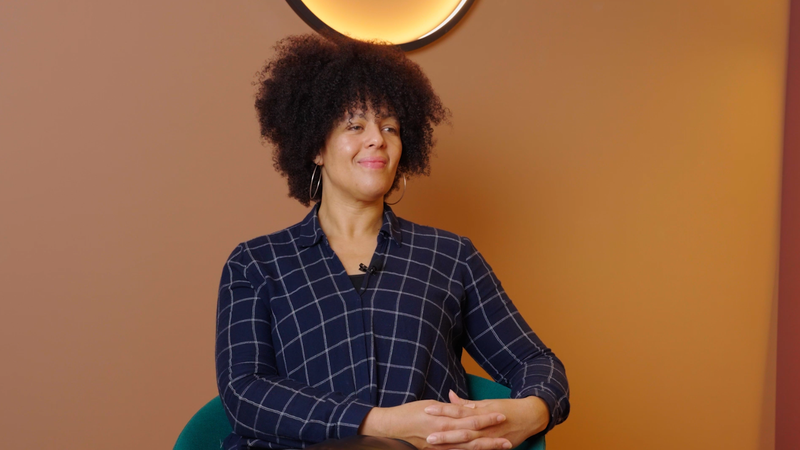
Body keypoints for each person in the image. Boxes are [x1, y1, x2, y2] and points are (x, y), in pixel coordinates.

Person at [215, 34, 570, 450]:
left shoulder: (451, 257)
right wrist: (380, 423)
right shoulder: (256, 263)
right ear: (315, 147)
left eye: (390, 127)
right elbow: (244, 392)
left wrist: (532, 411)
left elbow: (535, 361)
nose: (377, 139)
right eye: (354, 125)